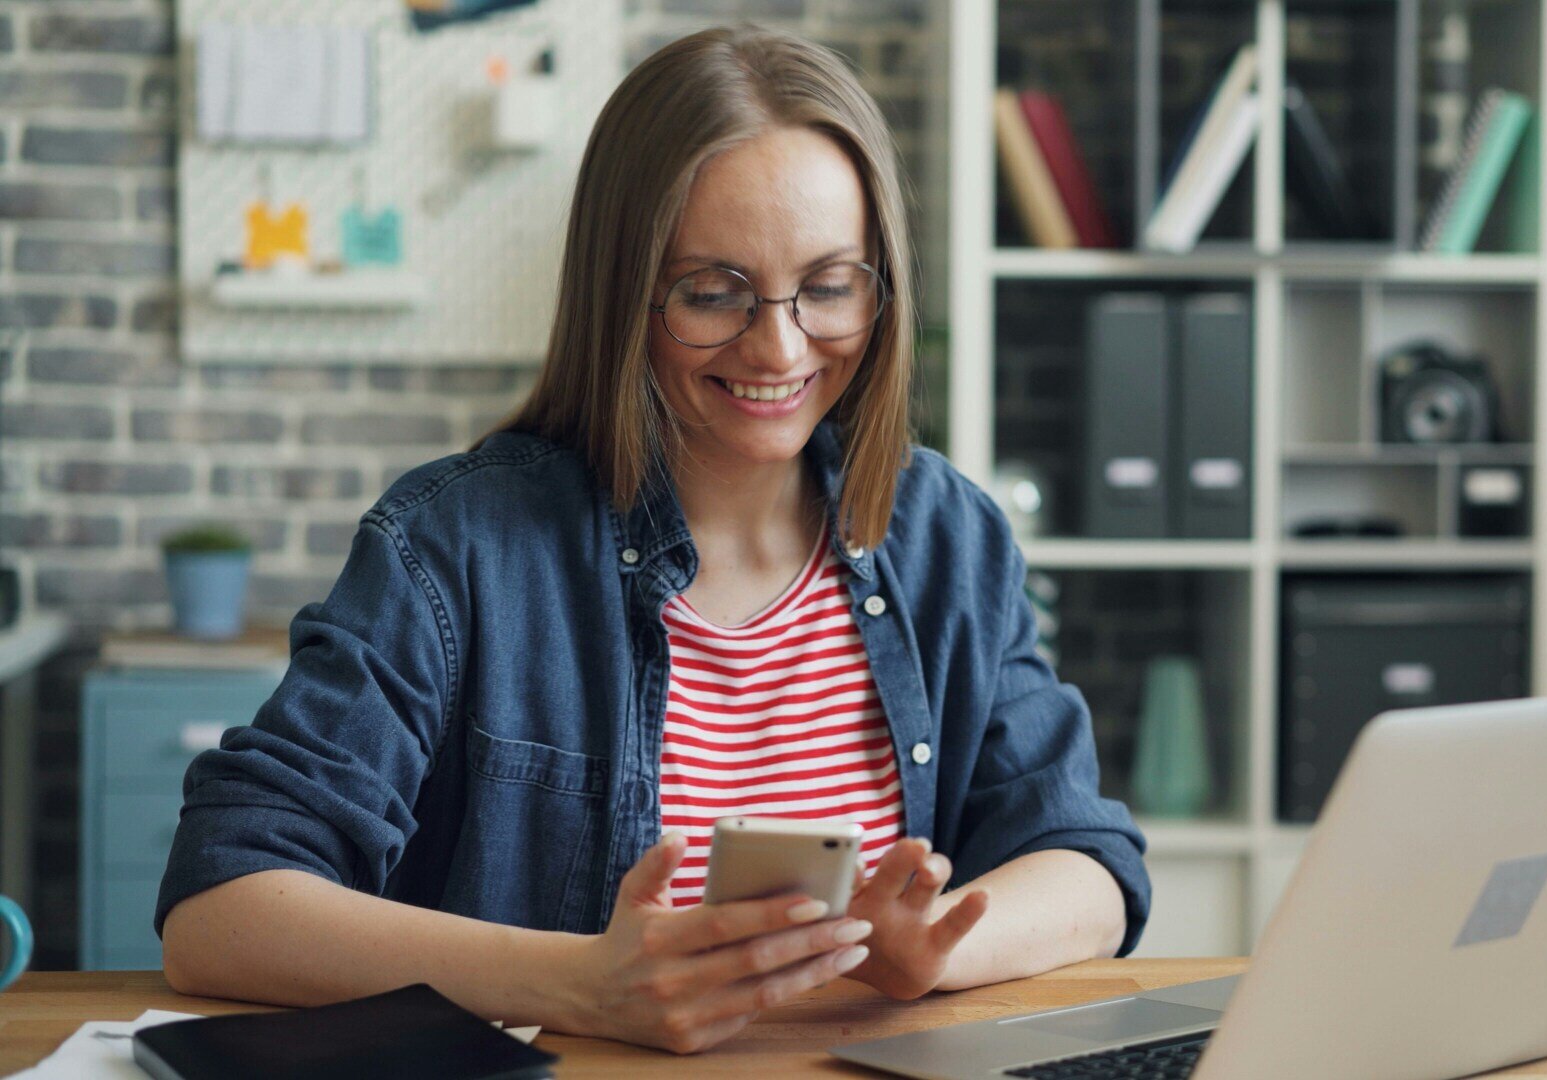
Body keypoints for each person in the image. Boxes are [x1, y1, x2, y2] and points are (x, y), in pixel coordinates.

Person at [157, 24, 1148, 1054]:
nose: (779, 347)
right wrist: (582, 985)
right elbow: (221, 907)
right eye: (712, 293)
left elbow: (1089, 865)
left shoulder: (948, 536)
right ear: (623, 291)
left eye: (828, 286)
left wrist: (936, 951)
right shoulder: (457, 547)